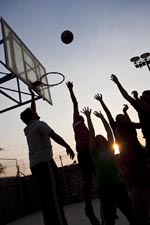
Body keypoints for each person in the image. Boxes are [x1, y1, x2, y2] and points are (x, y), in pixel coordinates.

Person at [20, 88, 75, 225]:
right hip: (45, 164)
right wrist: (67, 146)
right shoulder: (39, 124)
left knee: (46, 197)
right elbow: (54, 135)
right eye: (35, 113)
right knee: (55, 195)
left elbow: (32, 111)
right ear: (33, 116)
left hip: (35, 166)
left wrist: (32, 95)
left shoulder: (28, 129)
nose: (37, 113)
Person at [82, 107, 137, 225]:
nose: (99, 137)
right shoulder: (94, 153)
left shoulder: (110, 150)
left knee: (131, 213)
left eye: (101, 137)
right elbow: (91, 132)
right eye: (97, 138)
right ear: (96, 142)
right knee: (108, 219)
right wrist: (88, 117)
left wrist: (102, 117)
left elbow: (109, 131)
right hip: (105, 187)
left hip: (117, 185)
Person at [66, 81, 101, 225]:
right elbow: (75, 103)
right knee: (88, 181)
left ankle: (106, 203)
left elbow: (92, 138)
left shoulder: (85, 126)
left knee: (99, 177)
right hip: (84, 154)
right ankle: (88, 206)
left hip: (90, 153)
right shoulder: (76, 120)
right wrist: (71, 90)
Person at [110, 74, 150, 157]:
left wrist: (137, 98)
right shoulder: (139, 107)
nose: (141, 96)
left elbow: (147, 109)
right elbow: (126, 95)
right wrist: (118, 83)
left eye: (143, 96)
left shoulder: (143, 105)